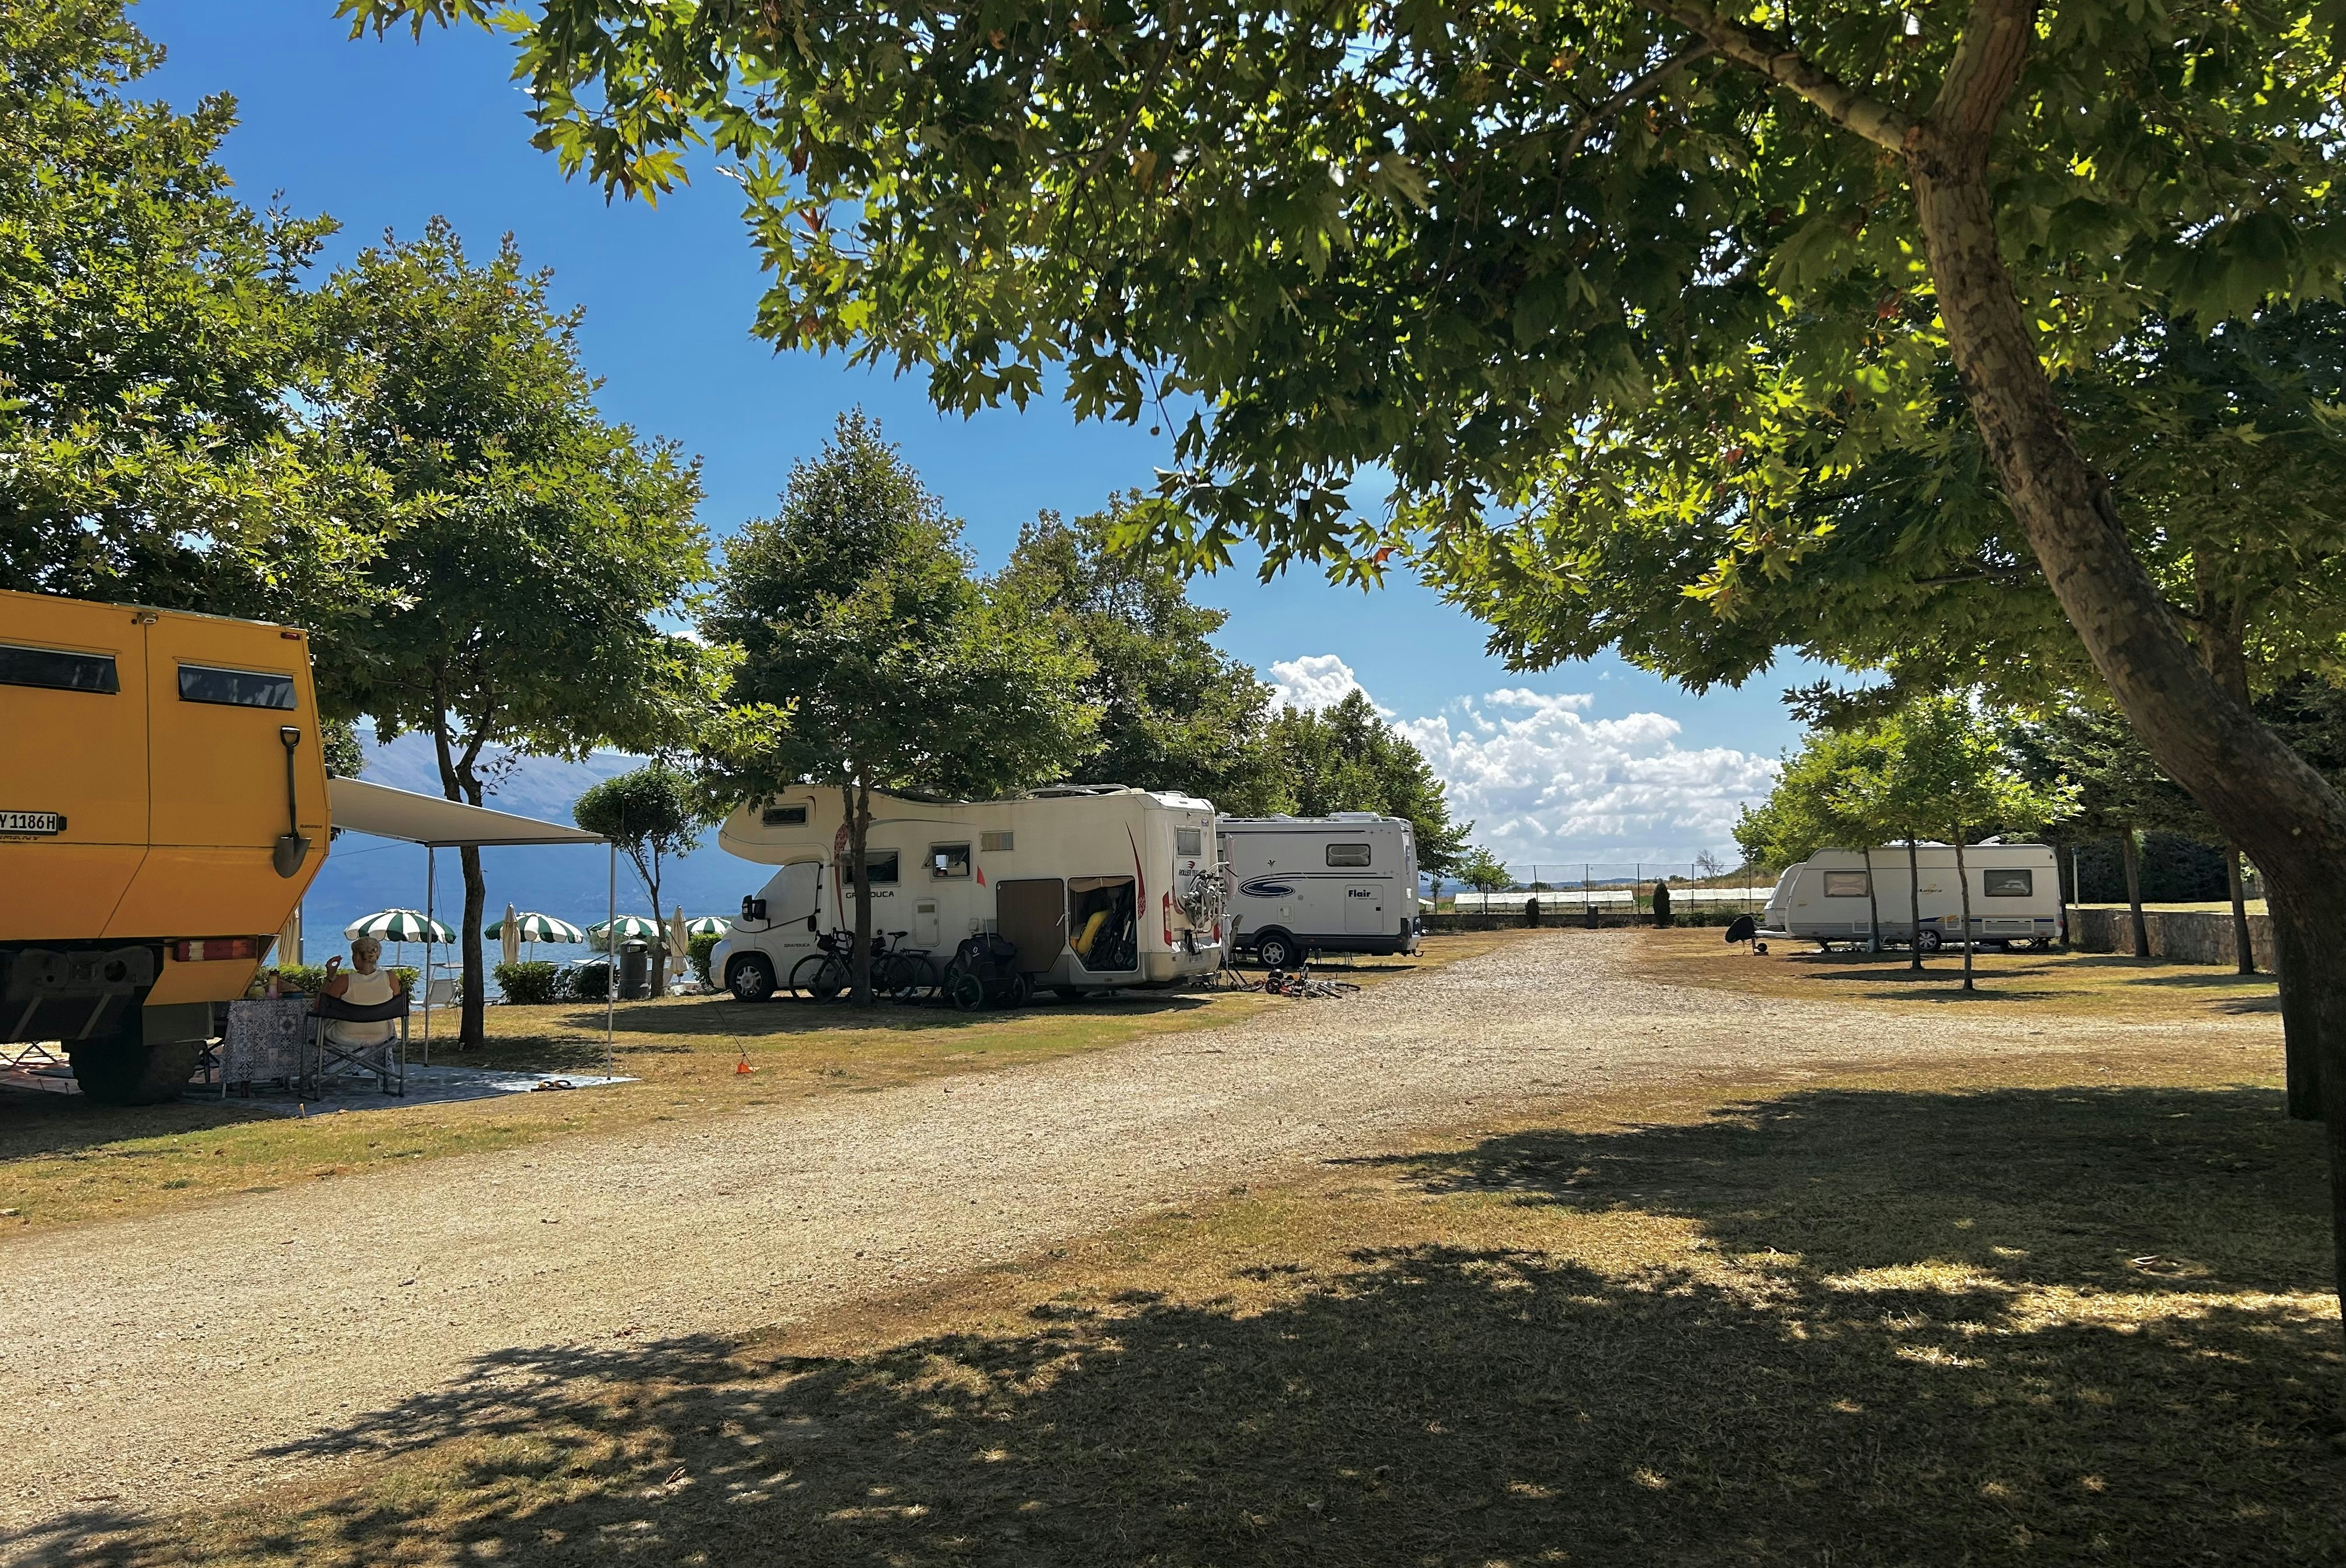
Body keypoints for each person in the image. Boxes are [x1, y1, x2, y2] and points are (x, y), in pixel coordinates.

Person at [321, 937, 399, 1048]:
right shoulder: (390, 978)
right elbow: (395, 1006)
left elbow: (320, 1006)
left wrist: (329, 977)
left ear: (357, 956)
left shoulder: (344, 981)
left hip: (343, 1036)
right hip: (381, 1035)